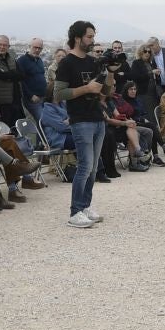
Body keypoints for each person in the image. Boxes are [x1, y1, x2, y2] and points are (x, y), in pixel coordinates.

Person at [53, 20, 108, 228]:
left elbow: (105, 92)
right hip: (80, 120)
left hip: (97, 118)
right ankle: (75, 211)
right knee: (84, 167)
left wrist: (109, 72)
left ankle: (85, 206)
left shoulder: (93, 62)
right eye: (89, 37)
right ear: (78, 38)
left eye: (93, 36)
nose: (93, 40)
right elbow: (58, 94)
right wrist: (86, 89)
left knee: (93, 168)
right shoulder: (67, 63)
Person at [0, 35, 23, 127]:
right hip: (0, 100)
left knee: (16, 125)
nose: (2, 47)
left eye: (5, 45)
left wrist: (8, 75)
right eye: (0, 44)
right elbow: (1, 75)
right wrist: (11, 74)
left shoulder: (11, 58)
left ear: (8, 47)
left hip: (15, 98)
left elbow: (21, 75)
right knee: (5, 126)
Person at [16, 38, 48, 113]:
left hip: (43, 97)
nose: (37, 50)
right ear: (29, 46)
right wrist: (30, 95)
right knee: (42, 120)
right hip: (32, 99)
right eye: (35, 47)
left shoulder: (39, 60)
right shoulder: (22, 61)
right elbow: (20, 81)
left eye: (39, 48)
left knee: (46, 119)